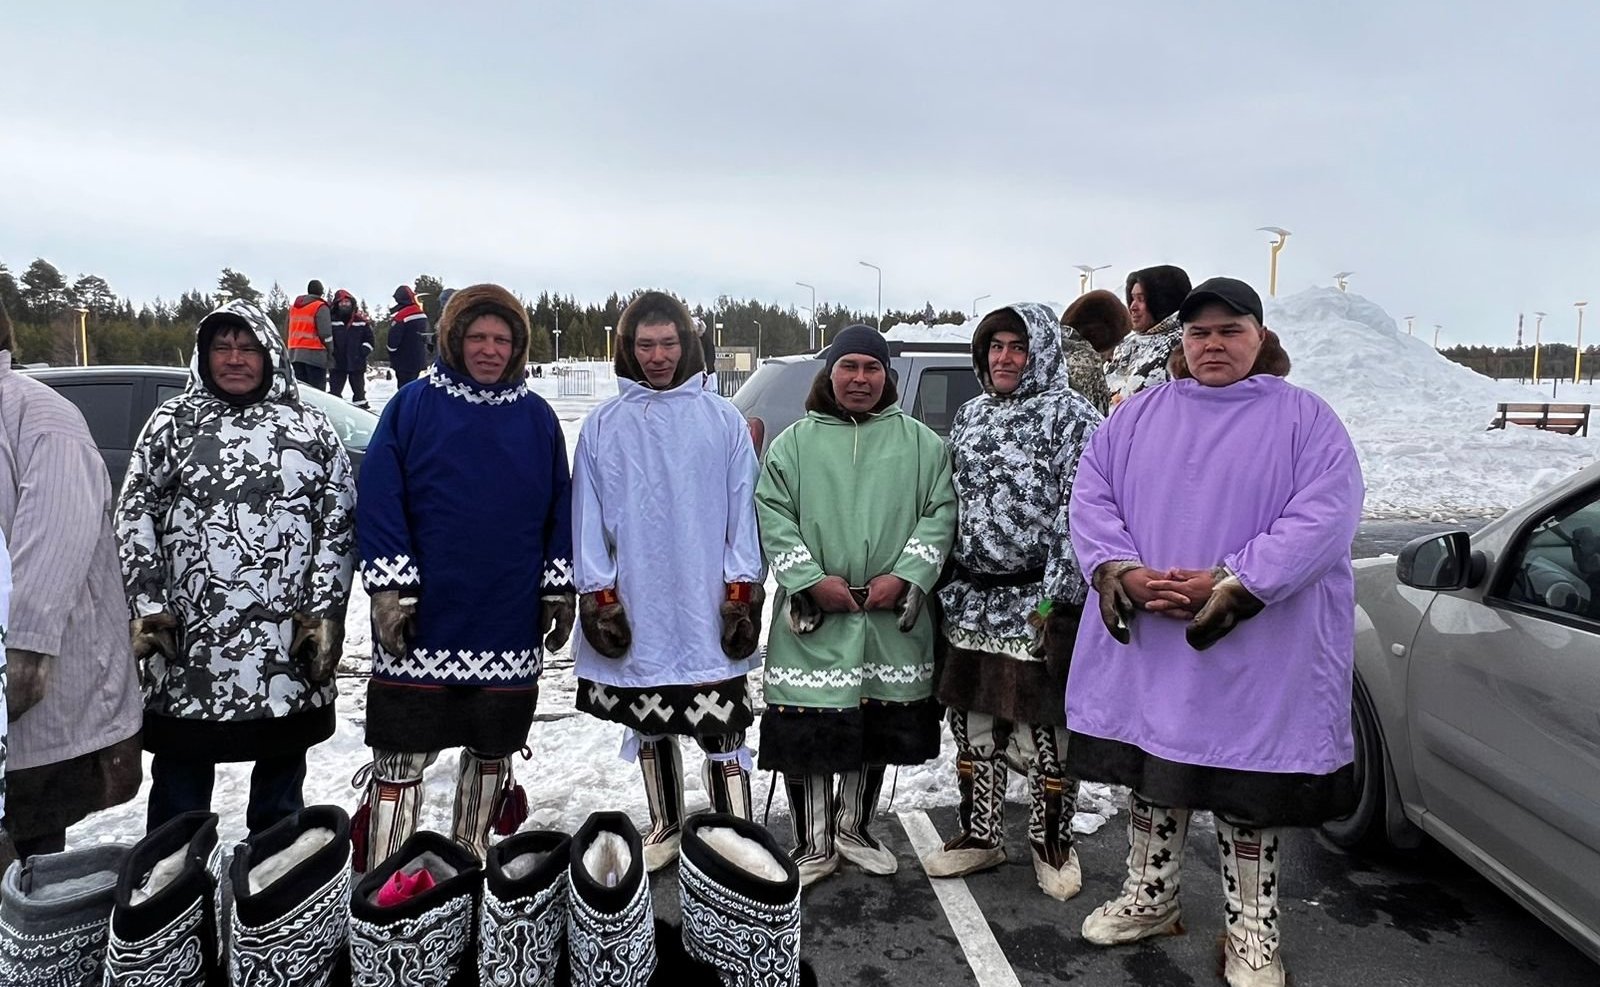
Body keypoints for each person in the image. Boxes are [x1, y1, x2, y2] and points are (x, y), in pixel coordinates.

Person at [1066, 277, 1360, 987]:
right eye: (1199, 332)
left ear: (1260, 336)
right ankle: (1152, 896)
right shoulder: (1137, 416)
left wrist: (1234, 581)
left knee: (1246, 788)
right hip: (1155, 644)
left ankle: (1253, 930)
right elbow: (1092, 495)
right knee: (1154, 775)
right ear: (1183, 341)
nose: (1213, 344)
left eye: (1231, 330)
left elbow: (1326, 514)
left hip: (1258, 649)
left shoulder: (1305, 419)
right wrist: (1123, 571)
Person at [116, 299, 356, 835]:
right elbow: (134, 514)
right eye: (222, 347)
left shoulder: (310, 429)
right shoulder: (172, 424)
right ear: (204, 355)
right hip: (188, 642)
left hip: (283, 646)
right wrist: (148, 605)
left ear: (269, 355)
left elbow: (337, 525)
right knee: (179, 787)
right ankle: (171, 874)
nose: (234, 358)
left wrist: (322, 614)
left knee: (280, 791)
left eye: (247, 347)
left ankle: (276, 874)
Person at [355, 283, 573, 867]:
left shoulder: (537, 418)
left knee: (492, 745)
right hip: (423, 615)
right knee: (402, 753)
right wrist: (390, 588)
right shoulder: (412, 407)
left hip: (507, 614)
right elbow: (380, 497)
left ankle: (470, 858)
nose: (489, 350)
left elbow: (561, 506)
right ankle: (386, 872)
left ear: (518, 346)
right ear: (454, 339)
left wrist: (558, 587)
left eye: (502, 339)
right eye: (477, 336)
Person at [755, 325, 957, 886]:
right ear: (831, 373)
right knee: (808, 728)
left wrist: (908, 575)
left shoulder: (923, 445)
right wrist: (809, 580)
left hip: (890, 617)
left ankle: (853, 827)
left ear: (887, 376)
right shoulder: (793, 444)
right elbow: (772, 513)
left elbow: (940, 513)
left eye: (872, 368)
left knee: (875, 724)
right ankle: (813, 841)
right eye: (849, 367)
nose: (860, 379)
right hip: (815, 616)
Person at [571, 290, 764, 872]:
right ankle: (667, 824)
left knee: (722, 725)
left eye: (669, 344)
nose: (657, 357)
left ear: (688, 345)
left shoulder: (722, 420)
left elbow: (743, 512)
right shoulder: (603, 426)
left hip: (706, 602)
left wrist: (740, 593)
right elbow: (587, 519)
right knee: (650, 722)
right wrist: (600, 597)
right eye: (645, 345)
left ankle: (735, 831)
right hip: (639, 600)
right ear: (628, 349)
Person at [922, 303, 1101, 901]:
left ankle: (1052, 843)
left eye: (1018, 347)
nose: (1004, 358)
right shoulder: (970, 415)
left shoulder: (1071, 416)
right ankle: (981, 834)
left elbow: (1078, 515)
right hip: (972, 600)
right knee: (974, 726)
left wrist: (1055, 607)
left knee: (1045, 730)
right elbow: (951, 501)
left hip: (1035, 601)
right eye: (995, 346)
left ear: (1040, 352)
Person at [0, 298, 143, 862]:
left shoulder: (39, 416)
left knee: (29, 860)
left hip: (32, 705)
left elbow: (52, 547)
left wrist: (22, 655)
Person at [1103, 265, 1191, 407]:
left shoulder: (1183, 345)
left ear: (1163, 301)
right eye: (1132, 299)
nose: (1133, 307)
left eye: (1141, 299)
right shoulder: (1125, 345)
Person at [1059, 289, 1131, 415]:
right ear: (1101, 336)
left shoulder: (1045, 352)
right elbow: (1098, 424)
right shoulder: (1087, 366)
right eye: (1113, 346)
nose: (1111, 358)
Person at [329, 288, 375, 408]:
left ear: (351, 303)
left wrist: (362, 352)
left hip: (356, 362)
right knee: (334, 392)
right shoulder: (331, 321)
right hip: (337, 362)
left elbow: (370, 340)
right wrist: (332, 352)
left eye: (347, 302)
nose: (344, 304)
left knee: (359, 393)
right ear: (337, 304)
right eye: (341, 302)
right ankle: (334, 411)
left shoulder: (361, 321)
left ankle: (362, 412)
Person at [286, 279, 334, 390]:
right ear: (321, 292)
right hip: (314, 354)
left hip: (294, 354)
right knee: (317, 392)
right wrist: (330, 350)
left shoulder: (293, 308)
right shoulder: (320, 307)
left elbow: (287, 329)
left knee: (302, 390)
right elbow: (325, 333)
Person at [386, 285, 430, 385]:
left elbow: (393, 340)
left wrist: (391, 352)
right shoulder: (421, 314)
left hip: (403, 361)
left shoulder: (401, 316)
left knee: (404, 387)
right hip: (418, 358)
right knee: (412, 385)